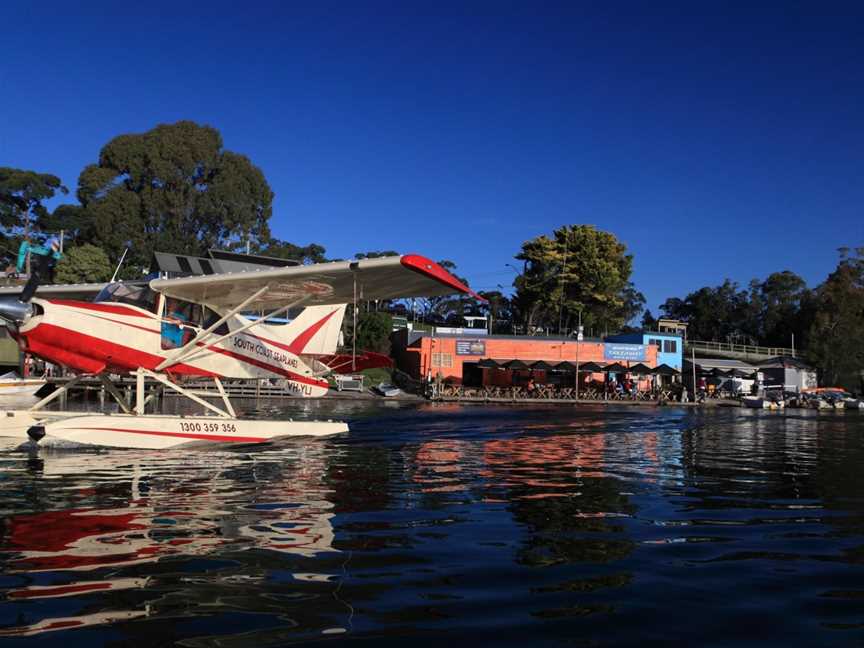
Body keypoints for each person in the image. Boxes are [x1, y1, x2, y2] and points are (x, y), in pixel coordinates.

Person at [17, 236, 62, 303]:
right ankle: (22, 300)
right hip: (40, 272)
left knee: (31, 284)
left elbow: (25, 250)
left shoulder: (45, 251)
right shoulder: (47, 251)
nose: (56, 248)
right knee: (32, 285)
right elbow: (23, 250)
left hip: (40, 272)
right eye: (55, 245)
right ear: (52, 244)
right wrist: (19, 267)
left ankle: (23, 299)